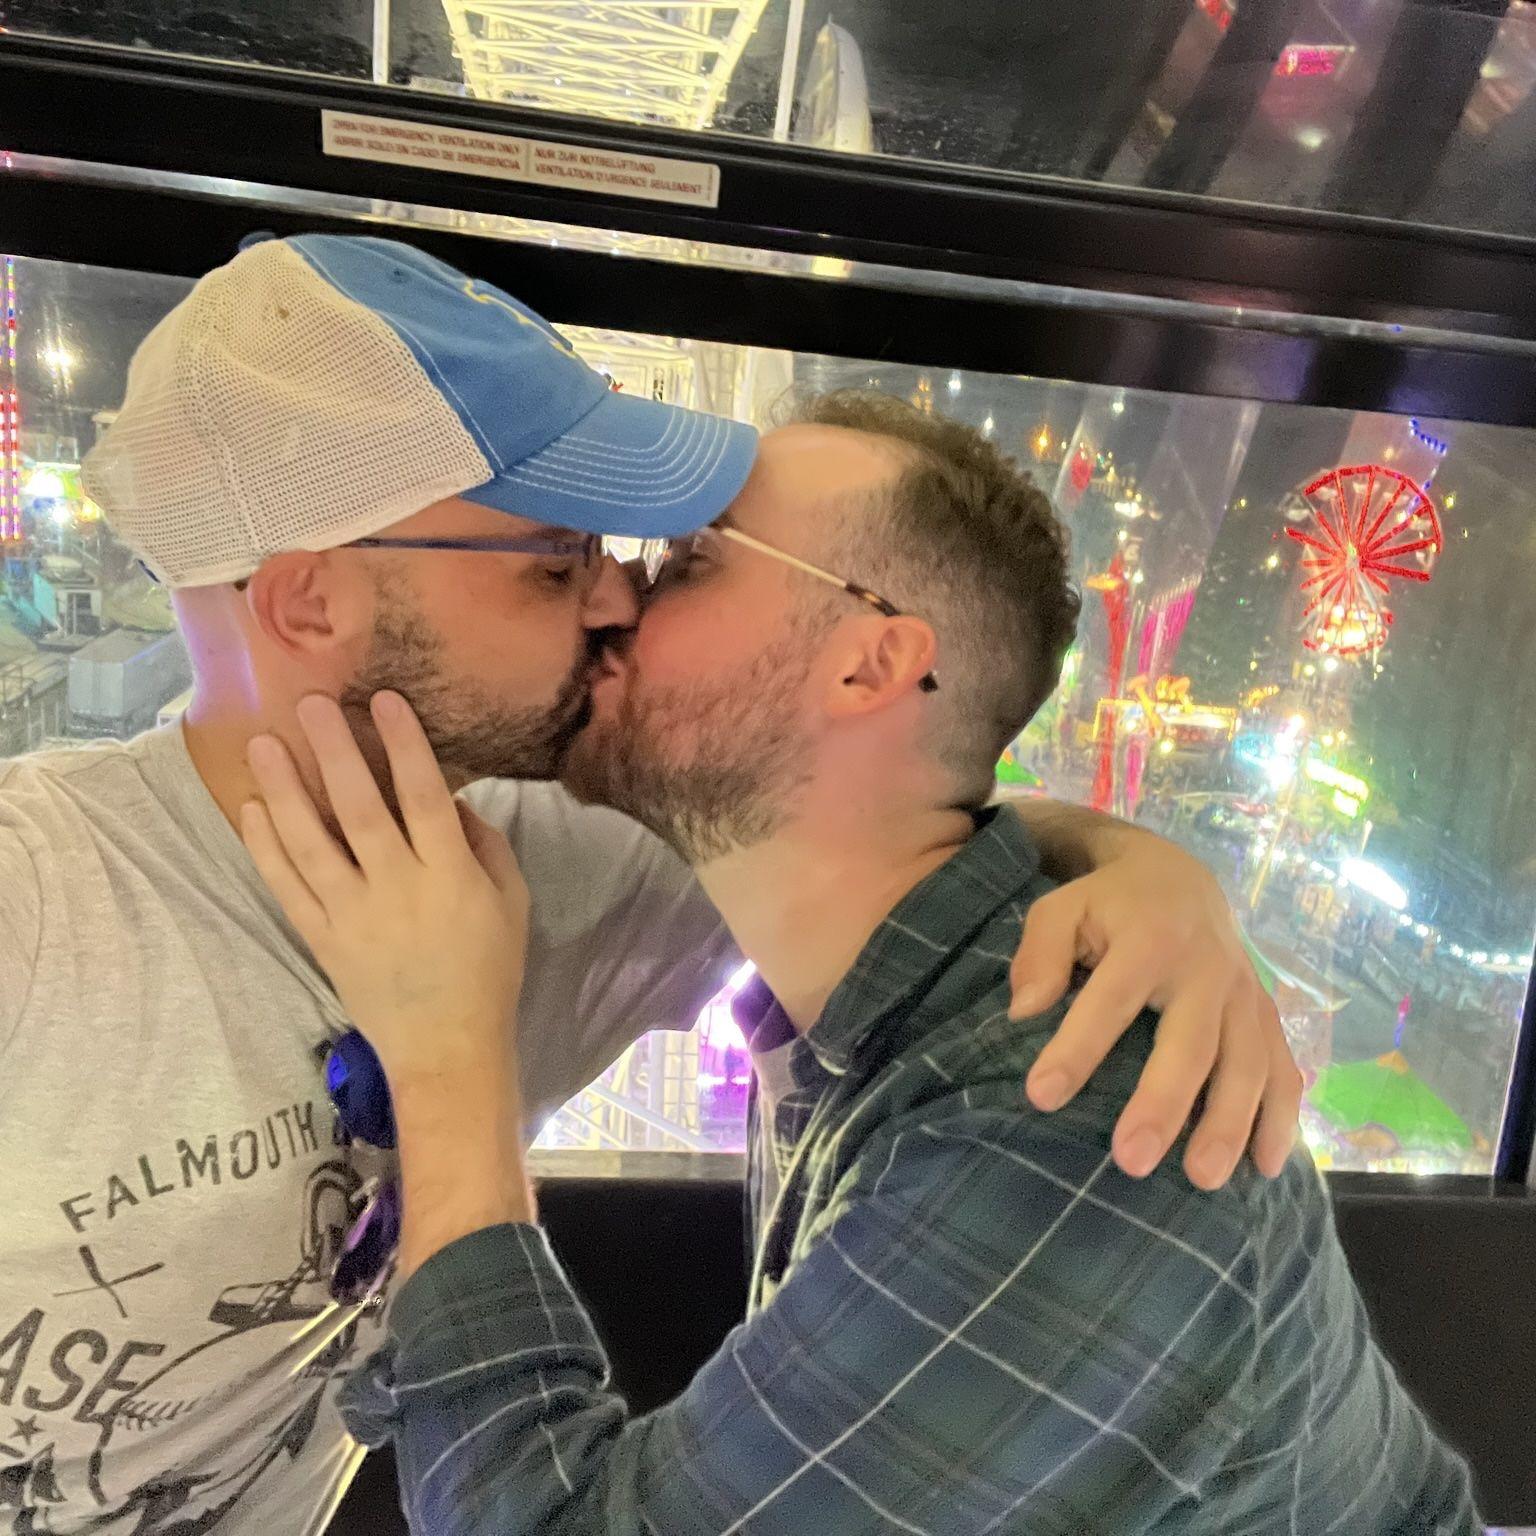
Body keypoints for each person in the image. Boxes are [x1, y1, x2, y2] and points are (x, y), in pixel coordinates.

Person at [0, 234, 1296, 1536]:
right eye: (554, 562)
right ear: (310, 604)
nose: (619, 594)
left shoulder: (571, 851)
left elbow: (868, 812)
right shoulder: (39, 900)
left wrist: (1144, 868)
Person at [245, 391, 1479, 1533]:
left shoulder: (1065, 1130)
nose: (615, 599)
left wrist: (447, 1051)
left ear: (872, 663)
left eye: (692, 562)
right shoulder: (888, 978)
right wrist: (1129, 848)